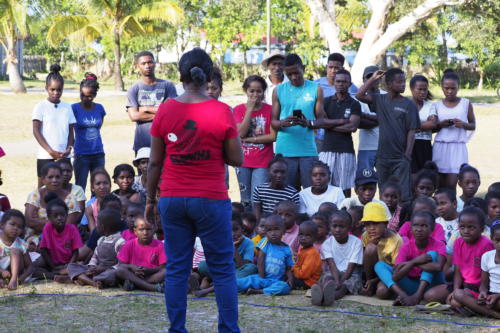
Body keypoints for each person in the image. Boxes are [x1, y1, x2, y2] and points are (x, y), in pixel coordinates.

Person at [147, 48, 243, 332]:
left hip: (173, 198)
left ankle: (177, 329)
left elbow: (154, 162)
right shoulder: (222, 111)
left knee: (177, 268)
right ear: (209, 74)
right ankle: (228, 329)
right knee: (223, 269)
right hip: (211, 199)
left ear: (180, 75)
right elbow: (236, 158)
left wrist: (151, 199)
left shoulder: (166, 109)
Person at [356, 68, 420, 203]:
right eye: (399, 82)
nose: (403, 84)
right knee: (384, 193)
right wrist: (373, 79)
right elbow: (359, 95)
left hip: (400, 157)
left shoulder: (409, 105)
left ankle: (403, 220)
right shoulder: (380, 100)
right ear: (389, 84)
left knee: (404, 194)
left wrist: (407, 155)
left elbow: (412, 131)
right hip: (383, 157)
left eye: (404, 81)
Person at [271, 53, 325, 189]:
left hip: (308, 150)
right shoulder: (278, 90)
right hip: (285, 150)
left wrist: (309, 123)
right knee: (287, 192)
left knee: (310, 192)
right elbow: (273, 122)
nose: (293, 77)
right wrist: (283, 122)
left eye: (296, 73)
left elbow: (321, 120)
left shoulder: (315, 88)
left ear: (303, 68)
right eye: (289, 74)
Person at [375, 211, 449, 306]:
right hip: (412, 284)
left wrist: (410, 264)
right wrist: (413, 262)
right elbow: (396, 276)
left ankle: (417, 296)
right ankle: (402, 295)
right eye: (415, 225)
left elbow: (438, 267)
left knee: (432, 254)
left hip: (432, 284)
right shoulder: (406, 247)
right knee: (379, 265)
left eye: (424, 226)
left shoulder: (439, 245)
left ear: (432, 229)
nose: (419, 229)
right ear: (411, 228)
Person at [234, 75, 275, 210]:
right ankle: (246, 229)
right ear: (246, 91)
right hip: (243, 161)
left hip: (263, 162)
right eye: (251, 91)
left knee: (258, 199)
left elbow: (272, 136)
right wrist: (249, 110)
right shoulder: (239, 109)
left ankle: (260, 228)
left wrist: (252, 140)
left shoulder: (270, 110)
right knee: (245, 200)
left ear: (264, 92)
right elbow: (240, 133)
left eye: (259, 91)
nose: (255, 94)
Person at [318, 69, 361, 197]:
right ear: (334, 83)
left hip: (346, 150)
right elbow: (320, 122)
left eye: (344, 81)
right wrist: (341, 122)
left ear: (349, 84)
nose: (341, 84)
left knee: (345, 187)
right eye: (338, 81)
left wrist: (329, 125)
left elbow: (352, 127)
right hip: (327, 149)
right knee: (325, 186)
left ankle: (344, 214)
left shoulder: (354, 104)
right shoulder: (325, 101)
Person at [32, 64, 76, 188]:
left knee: (63, 188)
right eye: (52, 89)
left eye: (59, 89)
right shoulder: (40, 106)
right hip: (45, 155)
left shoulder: (67, 107)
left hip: (64, 155)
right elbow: (36, 131)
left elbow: (71, 132)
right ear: (46, 88)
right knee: (42, 189)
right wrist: (51, 152)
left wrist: (68, 149)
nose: (56, 93)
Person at [194, 213, 258, 297]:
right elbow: (217, 261)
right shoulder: (220, 240)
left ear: (242, 229)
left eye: (235, 229)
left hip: (238, 270)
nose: (232, 233)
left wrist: (234, 248)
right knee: (202, 265)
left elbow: (241, 265)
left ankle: (212, 286)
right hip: (223, 270)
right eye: (228, 230)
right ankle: (216, 281)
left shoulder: (249, 243)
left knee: (252, 268)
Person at [432, 69, 476, 190]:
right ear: (442, 87)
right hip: (440, 147)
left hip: (458, 147)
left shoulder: (465, 103)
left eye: (453, 88)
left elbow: (473, 125)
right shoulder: (436, 105)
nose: (450, 91)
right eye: (446, 88)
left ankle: (453, 207)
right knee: (439, 186)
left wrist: (463, 124)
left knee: (452, 185)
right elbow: (432, 129)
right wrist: (441, 125)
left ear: (458, 87)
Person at [126, 51, 177, 153]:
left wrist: (145, 109)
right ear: (137, 66)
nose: (147, 66)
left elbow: (172, 112)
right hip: (142, 141)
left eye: (150, 62)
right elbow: (134, 116)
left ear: (155, 63)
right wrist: (161, 114)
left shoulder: (168, 86)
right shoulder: (133, 89)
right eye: (143, 63)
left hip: (165, 140)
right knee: (144, 169)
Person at [447, 208, 494, 315]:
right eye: (462, 227)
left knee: (457, 299)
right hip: (466, 287)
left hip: (483, 289)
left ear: (481, 229)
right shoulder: (458, 242)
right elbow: (458, 271)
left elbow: (488, 273)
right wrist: (455, 290)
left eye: (471, 227)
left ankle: (491, 313)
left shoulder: (486, 245)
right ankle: (471, 307)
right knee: (432, 295)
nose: (466, 231)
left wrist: (483, 291)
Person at [313, 211, 363, 305]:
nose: (337, 229)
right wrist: (336, 281)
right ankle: (321, 295)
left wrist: (340, 282)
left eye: (341, 226)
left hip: (351, 274)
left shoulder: (356, 242)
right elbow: (331, 265)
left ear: (349, 227)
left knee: (345, 286)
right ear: (329, 227)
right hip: (333, 272)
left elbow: (351, 267)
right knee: (327, 279)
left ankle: (330, 298)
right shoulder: (327, 243)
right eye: (334, 226)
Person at [236, 214, 294, 296]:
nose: (273, 233)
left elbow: (288, 268)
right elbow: (260, 259)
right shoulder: (265, 242)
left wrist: (290, 279)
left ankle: (258, 291)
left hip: (275, 281)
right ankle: (216, 287)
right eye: (269, 230)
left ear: (284, 231)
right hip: (261, 277)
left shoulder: (287, 249)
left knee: (284, 287)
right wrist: (262, 278)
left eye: (276, 229)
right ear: (266, 232)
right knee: (245, 281)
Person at [67, 209, 125, 288]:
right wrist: (92, 266)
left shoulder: (120, 241)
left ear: (102, 227)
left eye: (97, 223)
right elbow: (94, 257)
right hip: (97, 270)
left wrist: (102, 269)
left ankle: (82, 279)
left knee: (111, 275)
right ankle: (92, 282)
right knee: (72, 266)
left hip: (108, 270)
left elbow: (121, 265)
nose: (96, 226)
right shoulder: (101, 240)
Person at [34, 192, 83, 281]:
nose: (59, 218)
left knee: (81, 266)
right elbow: (43, 250)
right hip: (51, 263)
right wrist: (53, 267)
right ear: (49, 217)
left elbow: (76, 252)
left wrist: (69, 266)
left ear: (66, 215)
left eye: (62, 215)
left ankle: (61, 274)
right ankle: (55, 276)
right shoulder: (48, 227)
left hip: (68, 264)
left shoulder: (72, 229)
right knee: (34, 269)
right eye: (55, 216)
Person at [25, 163, 81, 235]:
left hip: (61, 239)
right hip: (35, 238)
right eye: (50, 177)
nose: (54, 180)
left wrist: (39, 222)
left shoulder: (71, 199)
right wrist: (57, 223)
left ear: (62, 179)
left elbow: (66, 227)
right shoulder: (34, 195)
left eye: (58, 177)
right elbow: (29, 221)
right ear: (43, 179)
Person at [360, 202, 403, 297]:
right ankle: (368, 285)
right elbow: (364, 261)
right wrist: (369, 279)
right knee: (370, 248)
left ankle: (373, 284)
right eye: (367, 224)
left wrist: (375, 281)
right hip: (370, 274)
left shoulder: (396, 240)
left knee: (382, 292)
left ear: (386, 223)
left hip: (387, 275)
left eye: (375, 224)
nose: (371, 228)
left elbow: (395, 269)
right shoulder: (366, 236)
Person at [72, 72, 106, 191]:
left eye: (89, 96)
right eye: (83, 95)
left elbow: (98, 127)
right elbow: (70, 131)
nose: (86, 99)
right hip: (81, 155)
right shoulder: (74, 108)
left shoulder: (100, 108)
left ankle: (96, 209)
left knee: (99, 187)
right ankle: (80, 210)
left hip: (98, 153)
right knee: (80, 187)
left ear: (95, 95)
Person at [116, 217, 166, 292]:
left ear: (153, 230)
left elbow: (162, 267)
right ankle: (152, 287)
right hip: (133, 275)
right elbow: (121, 265)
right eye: (141, 230)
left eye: (148, 229)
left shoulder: (160, 245)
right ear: (135, 231)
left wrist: (149, 270)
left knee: (166, 271)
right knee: (120, 270)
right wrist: (131, 267)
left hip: (151, 275)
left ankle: (136, 285)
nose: (145, 233)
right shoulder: (129, 244)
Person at [252, 155, 300, 222]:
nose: (279, 175)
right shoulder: (259, 191)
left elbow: (293, 218)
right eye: (275, 171)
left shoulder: (293, 194)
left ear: (287, 173)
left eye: (283, 172)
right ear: (268, 172)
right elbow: (257, 217)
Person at [410, 75, 437, 175]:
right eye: (420, 89)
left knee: (425, 176)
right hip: (409, 145)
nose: (423, 92)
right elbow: (401, 125)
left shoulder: (430, 106)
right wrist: (424, 124)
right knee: (411, 177)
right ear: (412, 89)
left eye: (425, 89)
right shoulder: (405, 104)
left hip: (425, 145)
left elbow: (433, 124)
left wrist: (411, 126)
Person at [356, 66, 382, 172]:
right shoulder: (357, 99)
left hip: (384, 148)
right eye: (369, 77)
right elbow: (358, 122)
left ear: (380, 78)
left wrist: (365, 115)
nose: (373, 79)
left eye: (375, 76)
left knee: (386, 185)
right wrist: (382, 119)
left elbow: (393, 118)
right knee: (365, 183)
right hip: (366, 147)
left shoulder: (387, 95)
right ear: (364, 80)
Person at [0, 210, 33, 290]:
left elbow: (30, 266)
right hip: (2, 272)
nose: (15, 228)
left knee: (15, 251)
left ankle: (13, 280)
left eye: (19, 227)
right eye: (12, 224)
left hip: (16, 273)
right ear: (2, 225)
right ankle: (3, 281)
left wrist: (21, 278)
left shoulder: (21, 244)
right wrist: (1, 271)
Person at [292, 221, 322, 290]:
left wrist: (293, 269)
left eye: (308, 235)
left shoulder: (312, 253)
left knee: (287, 277)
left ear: (315, 237)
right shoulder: (303, 249)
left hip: (308, 282)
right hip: (302, 277)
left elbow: (303, 274)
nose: (303, 238)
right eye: (301, 234)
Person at [56, 159, 86, 223]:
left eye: (68, 171)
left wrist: (65, 225)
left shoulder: (78, 190)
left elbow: (80, 213)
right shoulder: (49, 189)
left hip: (72, 225)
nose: (65, 173)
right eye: (62, 171)